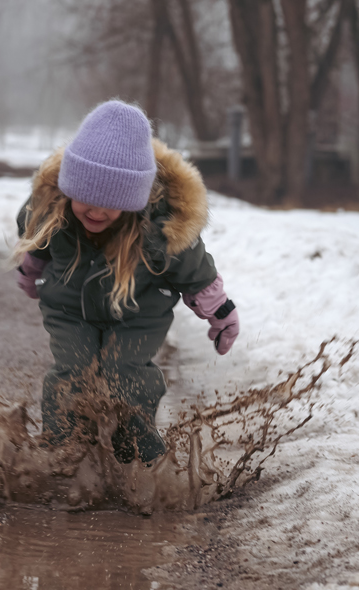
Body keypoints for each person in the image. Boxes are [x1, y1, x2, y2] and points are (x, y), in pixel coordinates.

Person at [12, 99, 240, 464]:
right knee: (73, 373)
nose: (96, 211)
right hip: (71, 310)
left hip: (139, 314)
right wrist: (29, 268)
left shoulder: (160, 226)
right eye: (86, 199)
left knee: (125, 376)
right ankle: (64, 456)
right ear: (70, 187)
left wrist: (220, 310)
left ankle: (139, 460)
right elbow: (35, 238)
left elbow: (195, 270)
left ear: (132, 200)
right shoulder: (51, 206)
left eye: (110, 203)